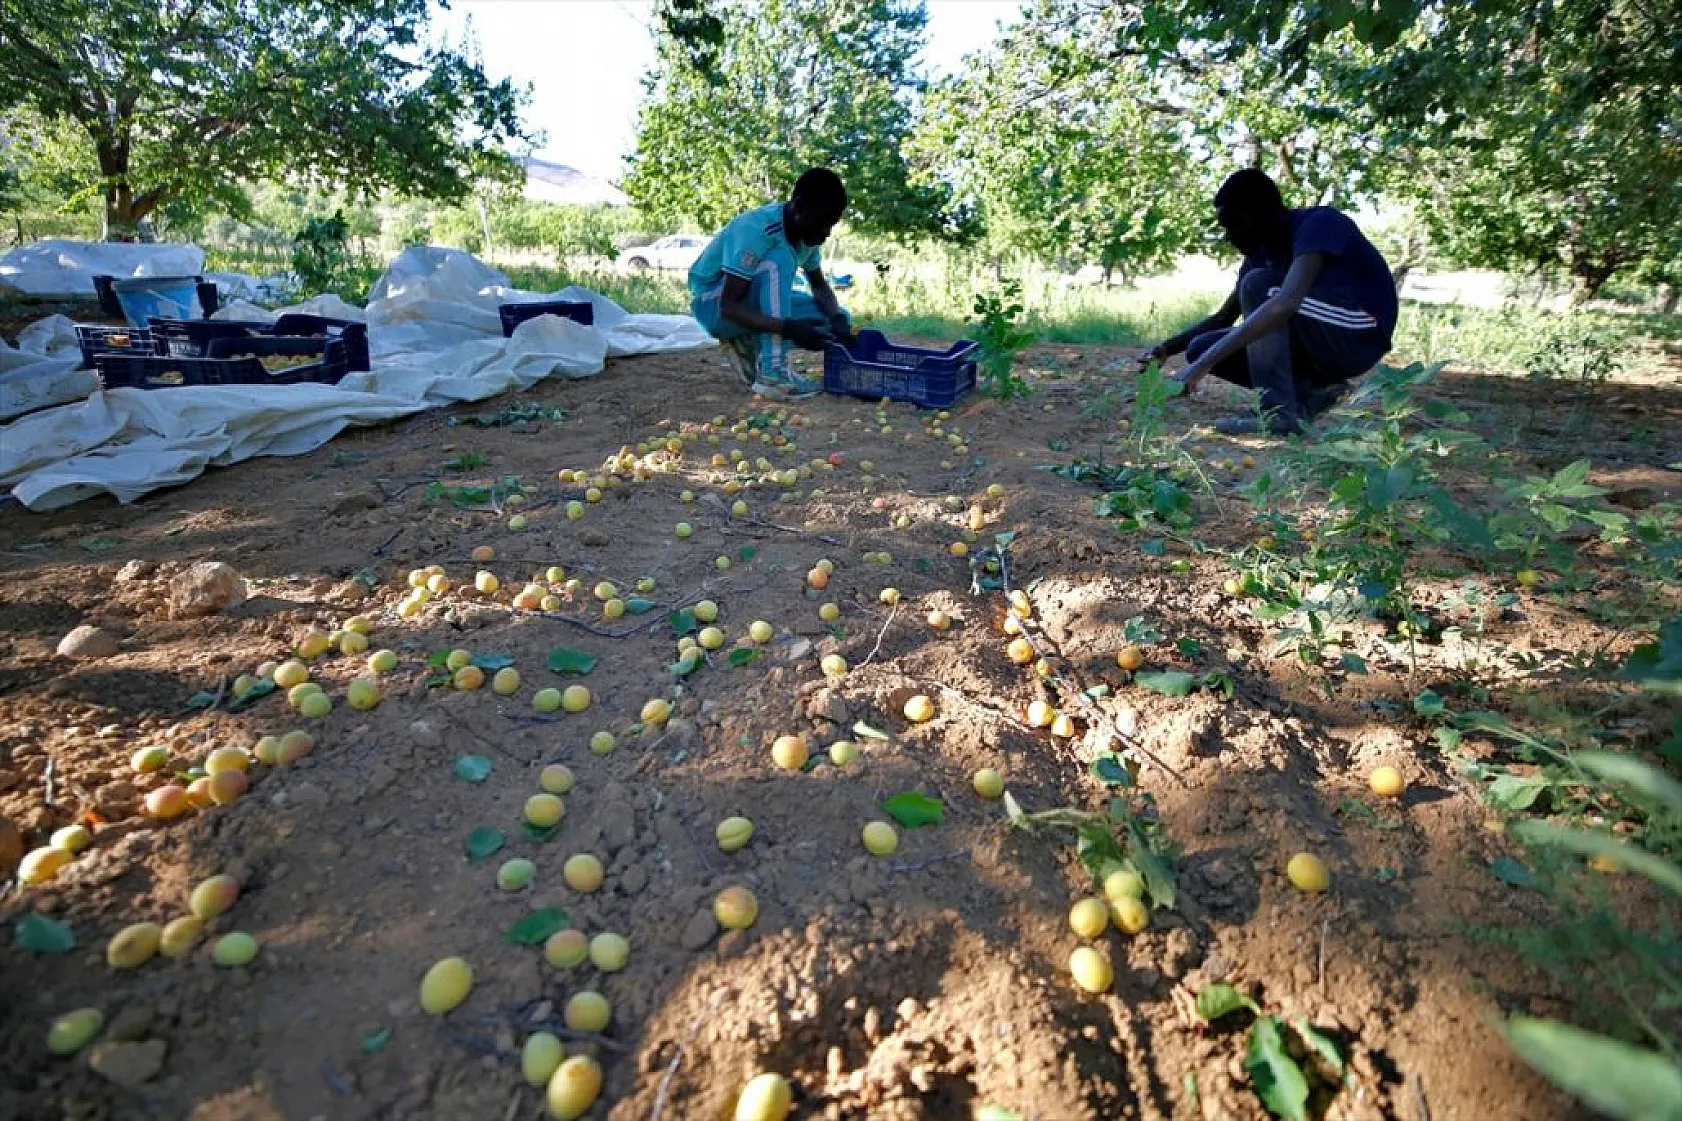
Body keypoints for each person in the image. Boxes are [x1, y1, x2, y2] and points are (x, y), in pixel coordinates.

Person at [1141, 168, 1397, 434]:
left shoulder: (1319, 223)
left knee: (1261, 288)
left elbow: (1285, 302)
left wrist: (1199, 368)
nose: (1229, 237)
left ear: (1260, 212)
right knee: (1202, 346)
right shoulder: (1259, 256)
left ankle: (1278, 414)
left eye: (1234, 224)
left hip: (1360, 333)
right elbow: (1223, 318)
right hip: (1319, 333)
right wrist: (1166, 350)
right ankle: (1315, 392)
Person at [689, 167, 855, 400]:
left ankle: (747, 343)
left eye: (831, 224)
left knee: (832, 319)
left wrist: (837, 319)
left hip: (744, 307)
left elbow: (818, 286)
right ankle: (772, 372)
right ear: (798, 206)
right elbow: (728, 306)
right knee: (778, 261)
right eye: (820, 222)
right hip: (712, 305)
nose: (825, 232)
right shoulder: (757, 229)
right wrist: (789, 329)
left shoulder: (807, 236)